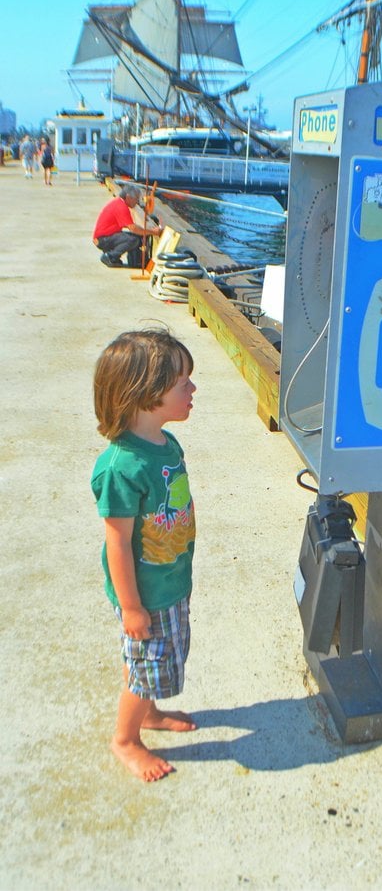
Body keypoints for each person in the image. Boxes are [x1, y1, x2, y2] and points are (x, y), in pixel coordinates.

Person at [91, 328, 198, 782]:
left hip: (169, 580)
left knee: (158, 661)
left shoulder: (165, 444)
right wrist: (131, 607)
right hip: (145, 595)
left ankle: (149, 712)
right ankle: (126, 740)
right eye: (182, 384)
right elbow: (117, 542)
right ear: (146, 395)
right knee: (145, 666)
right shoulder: (122, 467)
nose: (192, 390)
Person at [93, 184, 162, 267]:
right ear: (128, 197)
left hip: (106, 236)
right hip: (103, 239)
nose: (137, 202)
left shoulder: (118, 202)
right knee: (133, 240)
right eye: (136, 199)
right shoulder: (121, 207)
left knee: (136, 237)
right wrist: (153, 231)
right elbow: (133, 228)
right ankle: (110, 256)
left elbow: (128, 225)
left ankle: (134, 261)